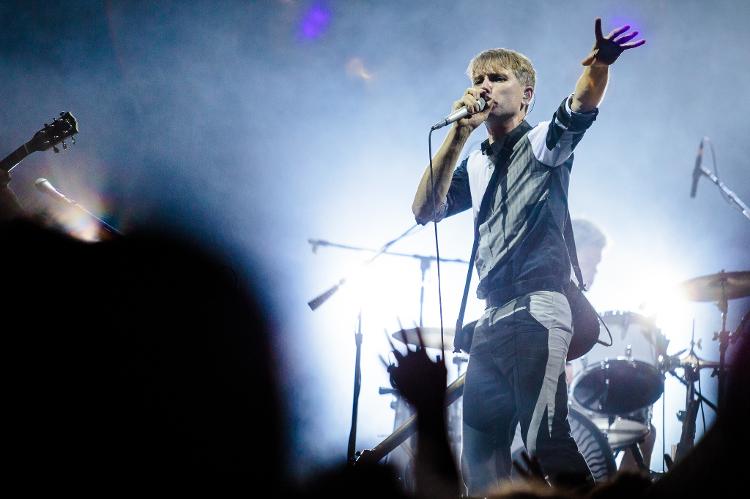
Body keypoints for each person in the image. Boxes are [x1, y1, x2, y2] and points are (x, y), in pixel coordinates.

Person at [411, 18, 645, 495]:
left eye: (497, 79)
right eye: (478, 79)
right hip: (490, 319)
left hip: (538, 307)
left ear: (527, 95)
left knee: (546, 439)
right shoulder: (475, 160)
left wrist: (600, 65)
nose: (484, 87)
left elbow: (582, 103)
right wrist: (458, 135)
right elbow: (423, 210)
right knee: (480, 462)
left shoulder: (542, 143)